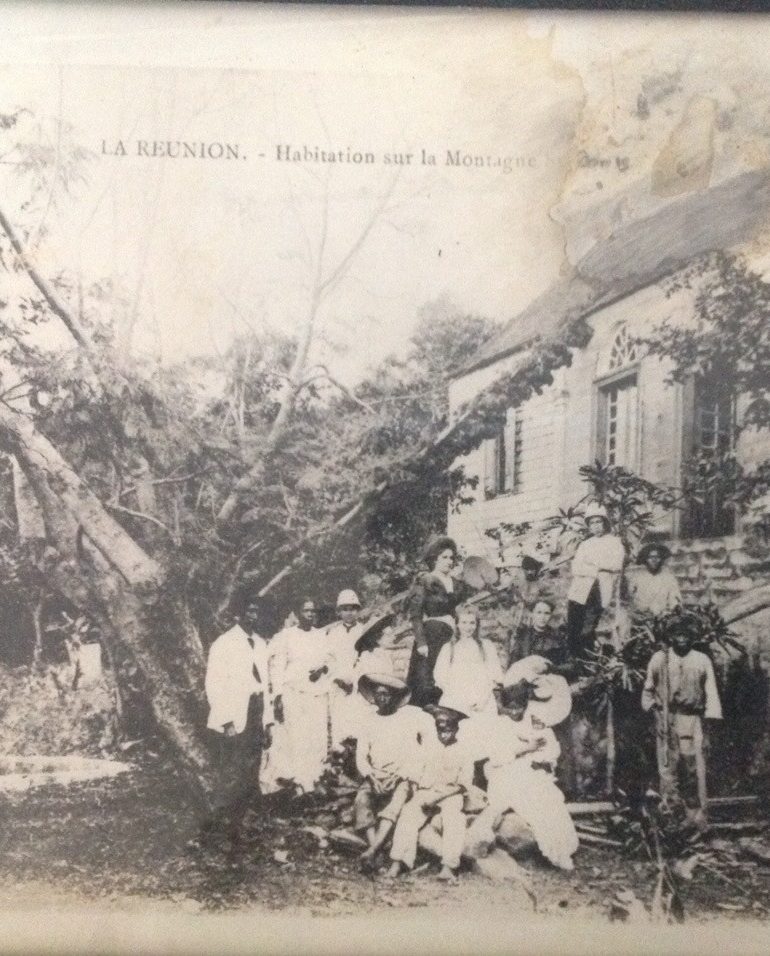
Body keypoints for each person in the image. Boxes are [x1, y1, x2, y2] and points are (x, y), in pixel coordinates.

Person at [474, 660, 578, 871]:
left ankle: (563, 850)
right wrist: (525, 749)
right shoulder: (500, 725)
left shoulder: (535, 721)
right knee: (530, 801)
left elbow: (550, 749)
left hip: (531, 771)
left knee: (549, 800)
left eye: (518, 708)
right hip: (505, 774)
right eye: (510, 708)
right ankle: (554, 852)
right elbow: (495, 757)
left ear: (525, 705)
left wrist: (542, 760)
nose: (514, 712)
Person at [388, 697, 483, 882]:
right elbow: (416, 774)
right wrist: (418, 794)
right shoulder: (428, 747)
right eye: (440, 730)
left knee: (453, 819)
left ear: (456, 729)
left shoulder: (464, 751)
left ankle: (448, 866)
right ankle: (397, 862)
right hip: (427, 792)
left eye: (448, 730)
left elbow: (463, 784)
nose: (444, 735)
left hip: (451, 794)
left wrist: (437, 799)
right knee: (408, 813)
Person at [203, 593, 274, 836]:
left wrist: (269, 722)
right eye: (249, 611)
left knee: (253, 766)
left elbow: (266, 684)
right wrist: (227, 721)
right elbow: (214, 685)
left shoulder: (261, 644)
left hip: (257, 710)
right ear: (237, 615)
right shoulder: (223, 644)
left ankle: (246, 821)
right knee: (233, 769)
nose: (253, 617)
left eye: (256, 612)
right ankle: (224, 824)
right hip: (235, 714)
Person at [642, 620, 722, 829]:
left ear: (692, 638)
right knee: (667, 766)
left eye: (686, 635)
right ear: (670, 637)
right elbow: (648, 690)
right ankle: (670, 814)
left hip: (691, 719)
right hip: (666, 718)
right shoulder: (660, 659)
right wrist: (656, 716)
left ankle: (696, 816)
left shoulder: (701, 660)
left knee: (692, 766)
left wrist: (708, 724)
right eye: (677, 635)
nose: (682, 639)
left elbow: (711, 693)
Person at [353, 673, 435, 867]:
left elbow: (420, 751)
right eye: (378, 694)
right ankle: (375, 849)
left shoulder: (407, 719)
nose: (382, 698)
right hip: (376, 775)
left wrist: (401, 776)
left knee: (396, 802)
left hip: (400, 777)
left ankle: (373, 851)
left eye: (386, 694)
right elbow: (361, 755)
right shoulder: (368, 720)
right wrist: (371, 777)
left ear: (395, 697)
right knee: (361, 800)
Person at [260, 597, 331, 794]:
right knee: (297, 737)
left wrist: (322, 669)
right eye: (307, 611)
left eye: (314, 611)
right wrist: (279, 696)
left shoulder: (322, 635)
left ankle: (315, 780)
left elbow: (329, 659)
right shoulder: (287, 635)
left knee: (316, 737)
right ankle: (298, 783)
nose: (311, 614)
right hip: (294, 693)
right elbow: (277, 668)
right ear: (298, 613)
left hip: (316, 694)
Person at [405, 536, 468, 707]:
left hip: (452, 634)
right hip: (432, 636)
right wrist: (421, 642)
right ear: (434, 559)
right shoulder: (425, 581)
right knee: (427, 679)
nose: (449, 561)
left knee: (450, 675)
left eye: (451, 558)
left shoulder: (456, 583)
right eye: (444, 557)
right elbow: (416, 615)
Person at [566, 503, 625, 660]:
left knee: (590, 628)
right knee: (574, 626)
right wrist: (598, 568)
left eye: (599, 522)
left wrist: (592, 565)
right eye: (592, 523)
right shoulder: (585, 544)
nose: (596, 526)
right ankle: (575, 659)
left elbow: (615, 565)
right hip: (580, 590)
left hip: (600, 589)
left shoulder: (614, 542)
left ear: (605, 523)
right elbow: (576, 568)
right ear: (588, 526)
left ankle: (589, 659)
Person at [434, 604, 503, 719]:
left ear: (477, 624)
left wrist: (483, 700)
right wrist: (459, 700)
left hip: (482, 700)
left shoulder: (486, 646)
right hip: (455, 700)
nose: (468, 627)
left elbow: (494, 675)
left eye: (472, 623)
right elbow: (441, 677)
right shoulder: (449, 648)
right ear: (457, 624)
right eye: (464, 622)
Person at [325, 589, 365, 747]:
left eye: (353, 609)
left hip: (359, 685)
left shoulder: (363, 631)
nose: (349, 613)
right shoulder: (333, 634)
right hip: (339, 685)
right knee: (339, 724)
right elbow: (328, 659)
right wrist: (338, 679)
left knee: (358, 723)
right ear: (339, 612)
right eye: (345, 609)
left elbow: (365, 658)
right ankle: (339, 761)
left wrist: (354, 680)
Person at [508, 598, 570, 676]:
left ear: (551, 615)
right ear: (532, 614)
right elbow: (513, 665)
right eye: (539, 612)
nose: (542, 617)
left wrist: (548, 668)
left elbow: (571, 665)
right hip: (525, 678)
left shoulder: (558, 637)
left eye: (546, 613)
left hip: (550, 679)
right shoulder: (523, 636)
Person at [627, 542, 682, 618]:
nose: (654, 560)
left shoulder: (669, 578)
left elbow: (674, 598)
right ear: (645, 559)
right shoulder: (637, 577)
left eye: (657, 557)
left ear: (661, 559)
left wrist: (675, 607)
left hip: (662, 618)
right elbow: (630, 598)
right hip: (641, 618)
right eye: (650, 557)